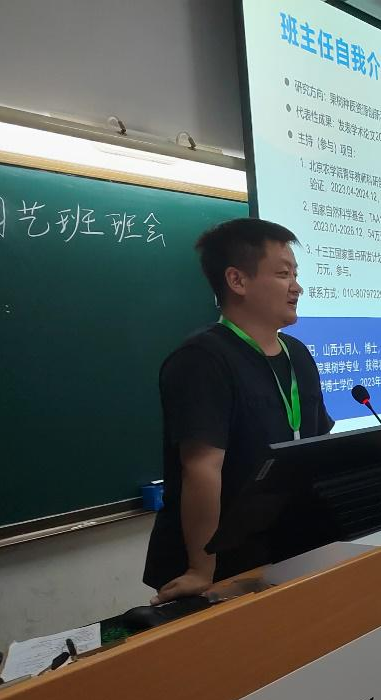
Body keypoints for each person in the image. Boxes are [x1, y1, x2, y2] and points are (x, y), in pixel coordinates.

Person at [143, 219, 333, 603]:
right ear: (237, 281)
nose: (297, 286)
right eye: (283, 274)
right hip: (222, 565)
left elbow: (318, 448)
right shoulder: (202, 359)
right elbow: (202, 468)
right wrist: (202, 568)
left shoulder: (298, 355)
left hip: (287, 547)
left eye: (296, 274)